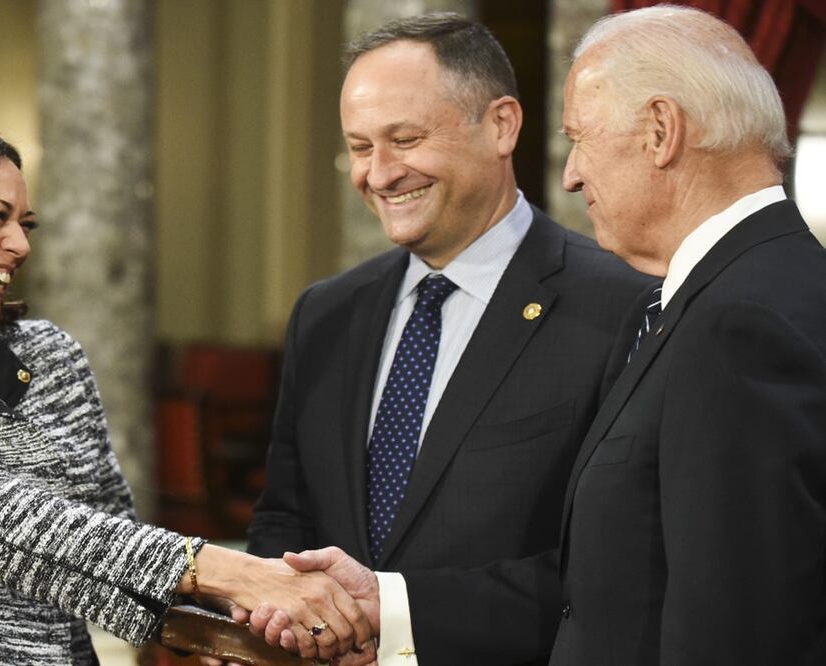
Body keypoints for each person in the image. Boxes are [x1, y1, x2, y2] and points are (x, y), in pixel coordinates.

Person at [0, 120, 372, 665]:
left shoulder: (48, 353)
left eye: (24, 224)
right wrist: (236, 572)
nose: (22, 245)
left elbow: (103, 541)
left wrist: (225, 630)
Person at [233, 13, 650, 666]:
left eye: (404, 138)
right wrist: (276, 611)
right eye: (361, 146)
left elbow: (621, 563)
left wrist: (392, 612)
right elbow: (283, 517)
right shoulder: (325, 314)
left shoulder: (622, 304)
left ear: (502, 126)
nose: (380, 173)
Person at [548, 6, 826, 664]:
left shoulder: (740, 325)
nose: (570, 173)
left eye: (578, 138)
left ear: (660, 130)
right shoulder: (722, 297)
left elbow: (736, 634)